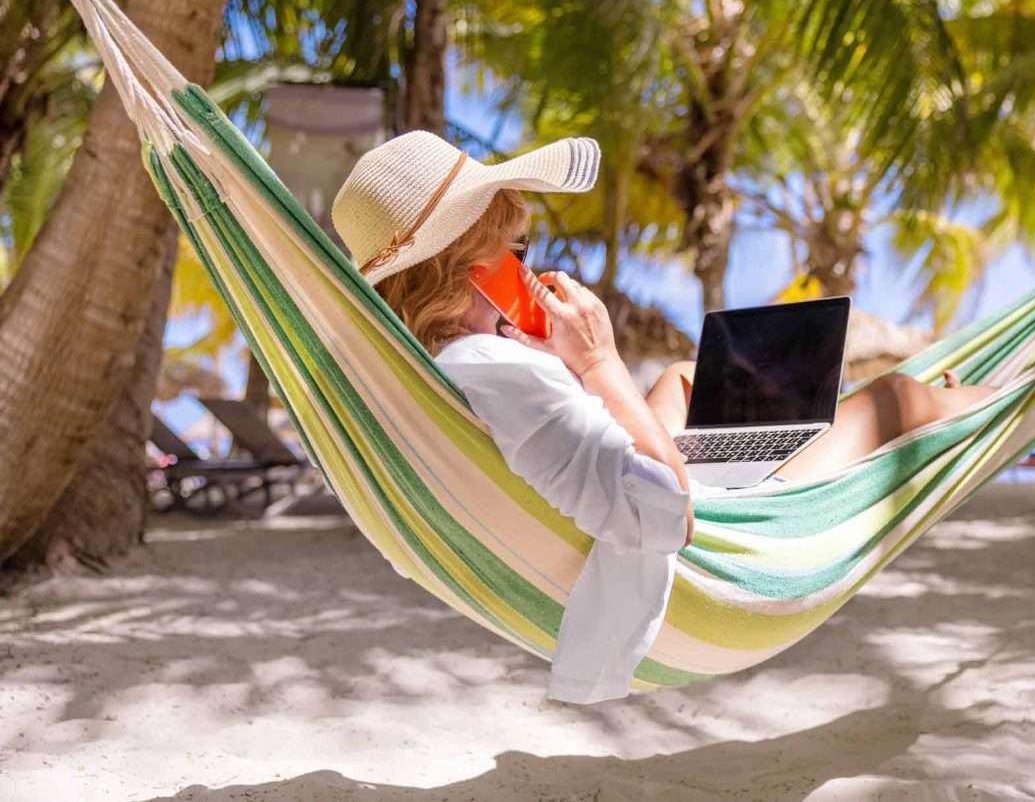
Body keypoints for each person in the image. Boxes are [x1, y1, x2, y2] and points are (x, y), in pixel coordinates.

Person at [330, 130, 995, 704]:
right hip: (699, 548)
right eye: (515, 253)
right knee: (895, 398)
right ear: (474, 273)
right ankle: (1000, 390)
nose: (527, 268)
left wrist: (571, 365)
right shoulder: (496, 370)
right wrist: (599, 364)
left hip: (648, 484)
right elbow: (662, 515)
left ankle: (785, 441)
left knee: (681, 379)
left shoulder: (442, 365)